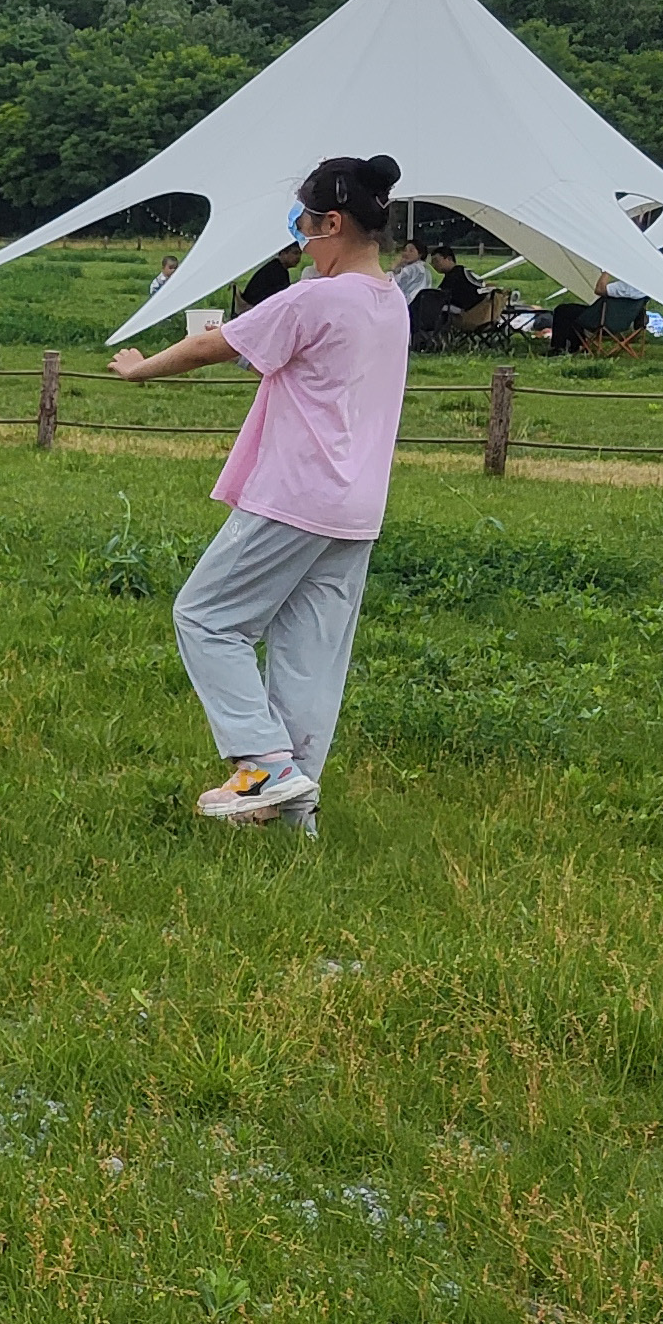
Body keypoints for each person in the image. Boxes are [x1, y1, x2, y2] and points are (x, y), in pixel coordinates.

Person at [110, 154, 411, 831]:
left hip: (297, 495)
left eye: (303, 223)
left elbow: (210, 346)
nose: (299, 236)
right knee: (308, 661)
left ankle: (263, 765)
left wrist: (139, 369)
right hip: (356, 507)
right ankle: (294, 817)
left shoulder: (315, 298)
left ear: (331, 222)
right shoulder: (390, 303)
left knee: (207, 617)